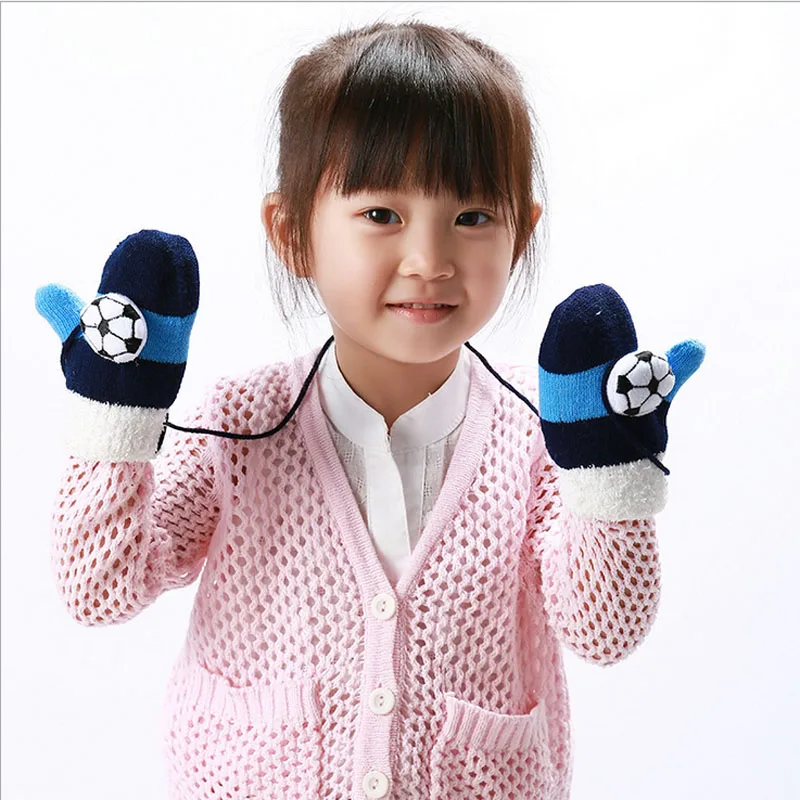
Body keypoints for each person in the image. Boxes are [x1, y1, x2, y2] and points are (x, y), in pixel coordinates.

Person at [35, 19, 704, 800]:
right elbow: (99, 589)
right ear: (293, 233)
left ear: (521, 233)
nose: (430, 260)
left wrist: (608, 473)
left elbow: (604, 630)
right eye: (382, 215)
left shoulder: (537, 439)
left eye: (473, 216)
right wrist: (114, 419)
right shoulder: (239, 425)